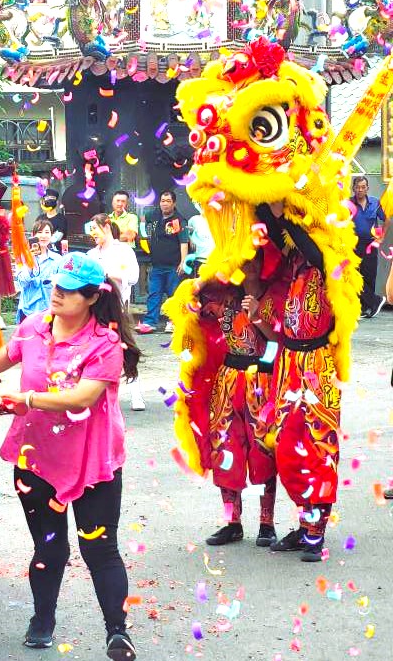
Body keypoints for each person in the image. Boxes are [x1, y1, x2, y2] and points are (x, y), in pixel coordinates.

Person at [0, 252, 141, 661]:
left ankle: (117, 632)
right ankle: (42, 619)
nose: (58, 294)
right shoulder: (33, 327)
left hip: (92, 460)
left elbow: (81, 397)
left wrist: (25, 398)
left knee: (100, 549)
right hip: (37, 458)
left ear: (92, 297)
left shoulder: (105, 342)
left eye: (69, 290)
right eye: (56, 286)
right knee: (49, 548)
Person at [256, 202, 340, 562]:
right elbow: (276, 231)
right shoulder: (295, 257)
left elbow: (311, 248)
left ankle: (316, 531)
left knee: (319, 448)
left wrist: (287, 216)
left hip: (317, 363)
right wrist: (262, 196)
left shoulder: (330, 258)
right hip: (288, 362)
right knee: (286, 447)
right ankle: (304, 523)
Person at [197, 255, 281, 548]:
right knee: (225, 448)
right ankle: (232, 522)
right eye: (244, 262)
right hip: (228, 380)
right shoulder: (224, 297)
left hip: (261, 382)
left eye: (256, 261)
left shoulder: (273, 296)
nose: (250, 267)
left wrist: (257, 317)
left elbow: (278, 343)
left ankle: (266, 523)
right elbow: (188, 303)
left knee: (263, 451)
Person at [86, 214, 144, 411]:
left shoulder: (124, 250)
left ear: (107, 227)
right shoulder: (91, 254)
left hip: (118, 308)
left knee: (126, 349)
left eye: (95, 228)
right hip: (94, 309)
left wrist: (108, 275)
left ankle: (136, 393)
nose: (93, 233)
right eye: (91, 229)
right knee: (94, 351)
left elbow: (133, 277)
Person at [136, 190, 188, 334]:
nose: (165, 204)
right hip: (157, 265)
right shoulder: (155, 214)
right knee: (154, 295)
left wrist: (183, 262)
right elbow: (142, 219)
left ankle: (173, 322)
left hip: (173, 266)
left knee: (174, 295)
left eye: (168, 201)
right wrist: (143, 235)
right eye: (162, 201)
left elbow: (183, 242)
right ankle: (149, 323)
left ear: (174, 203)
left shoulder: (178, 220)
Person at [350, 176, 388, 318]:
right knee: (353, 276)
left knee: (369, 276)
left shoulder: (375, 202)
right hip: (352, 244)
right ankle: (370, 303)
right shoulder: (348, 203)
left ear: (367, 188)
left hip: (370, 244)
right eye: (357, 187)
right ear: (353, 188)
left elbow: (386, 219)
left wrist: (382, 237)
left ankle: (369, 307)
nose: (360, 190)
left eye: (363, 187)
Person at [16, 219, 60, 323]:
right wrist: (30, 261)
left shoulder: (57, 259)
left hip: (49, 310)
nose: (43, 236)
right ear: (33, 235)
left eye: (47, 232)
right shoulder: (23, 256)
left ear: (51, 235)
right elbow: (22, 282)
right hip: (28, 310)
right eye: (40, 232)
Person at [186, 203, 214, 277]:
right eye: (202, 204)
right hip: (200, 259)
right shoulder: (194, 219)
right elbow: (186, 233)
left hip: (215, 261)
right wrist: (190, 239)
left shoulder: (218, 220)